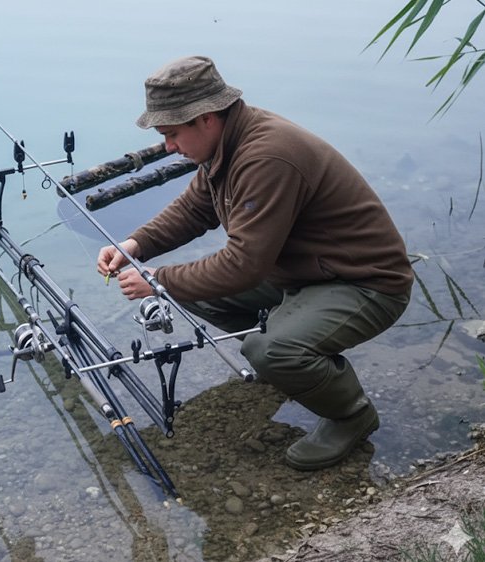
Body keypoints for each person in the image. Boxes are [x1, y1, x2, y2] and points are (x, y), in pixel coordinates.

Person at [97, 56, 413, 470]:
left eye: (173, 134)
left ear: (205, 118)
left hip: (365, 282)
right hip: (304, 271)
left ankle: (350, 414)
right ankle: (290, 360)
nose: (170, 147)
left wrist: (160, 280)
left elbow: (244, 264)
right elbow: (196, 208)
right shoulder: (225, 142)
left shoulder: (266, 156)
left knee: (265, 345)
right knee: (200, 295)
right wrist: (136, 245)